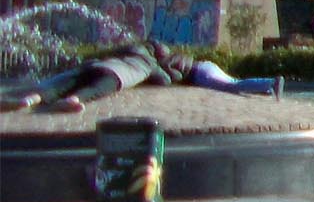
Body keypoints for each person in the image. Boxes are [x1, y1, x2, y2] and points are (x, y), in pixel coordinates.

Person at [1, 40, 172, 113]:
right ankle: (74, 101)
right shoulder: (149, 63)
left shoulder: (126, 51)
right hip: (116, 75)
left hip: (94, 66)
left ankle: (29, 100)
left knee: (62, 86)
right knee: (94, 89)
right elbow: (164, 80)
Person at [152, 43, 283, 99]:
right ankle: (265, 89)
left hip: (200, 74)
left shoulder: (164, 63)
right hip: (206, 66)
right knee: (234, 82)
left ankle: (272, 82)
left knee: (233, 85)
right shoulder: (174, 55)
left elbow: (174, 76)